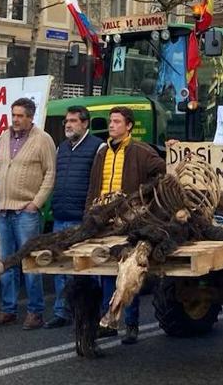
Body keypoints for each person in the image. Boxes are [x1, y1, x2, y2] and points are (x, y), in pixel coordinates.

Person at [87, 106, 166, 345]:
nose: (111, 125)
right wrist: (88, 214)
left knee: (127, 271)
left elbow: (162, 171)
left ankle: (131, 323)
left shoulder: (141, 151)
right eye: (111, 121)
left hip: (130, 221)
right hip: (105, 219)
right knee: (106, 271)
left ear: (128, 125)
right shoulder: (102, 153)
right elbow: (94, 187)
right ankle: (109, 320)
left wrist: (144, 197)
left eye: (117, 122)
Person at [0, 97, 57, 329]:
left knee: (30, 262)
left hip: (26, 211)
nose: (15, 120)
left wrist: (36, 203)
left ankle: (35, 312)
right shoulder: (4, 136)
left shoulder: (43, 140)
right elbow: (0, 162)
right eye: (13, 115)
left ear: (31, 117)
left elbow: (50, 174)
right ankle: (8, 309)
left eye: (20, 116)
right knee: (6, 262)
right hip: (4, 209)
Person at [44, 106, 103, 329]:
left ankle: (89, 313)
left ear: (85, 123)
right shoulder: (62, 148)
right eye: (66, 121)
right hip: (61, 215)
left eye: (73, 121)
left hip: (82, 218)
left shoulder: (98, 147)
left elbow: (97, 183)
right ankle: (62, 312)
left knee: (87, 269)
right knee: (61, 267)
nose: (68, 125)